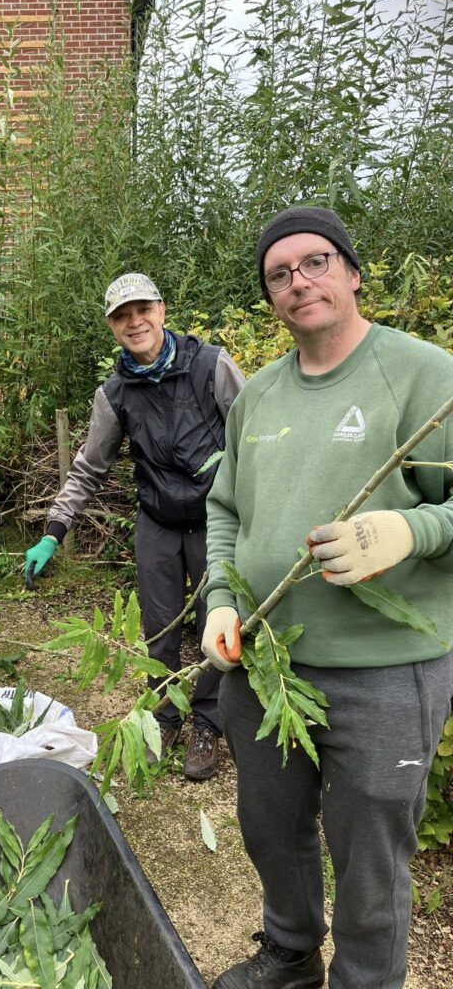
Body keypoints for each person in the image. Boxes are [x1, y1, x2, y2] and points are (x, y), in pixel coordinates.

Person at [201, 206, 453, 988]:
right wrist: (218, 598)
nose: (297, 282)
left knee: (370, 856)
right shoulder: (260, 396)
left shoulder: (423, 374)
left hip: (385, 674)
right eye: (279, 274)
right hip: (268, 662)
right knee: (271, 829)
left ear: (350, 271)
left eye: (314, 263)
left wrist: (415, 532)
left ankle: (365, 981)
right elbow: (225, 509)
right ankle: (290, 953)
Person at [25, 273, 245, 780]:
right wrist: (53, 530)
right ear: (112, 327)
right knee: (160, 627)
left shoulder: (211, 366)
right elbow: (89, 466)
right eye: (122, 315)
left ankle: (209, 722)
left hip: (219, 520)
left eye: (142, 309)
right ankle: (165, 717)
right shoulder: (116, 392)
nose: (135, 321)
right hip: (159, 522)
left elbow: (253, 435)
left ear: (162, 311)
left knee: (218, 624)